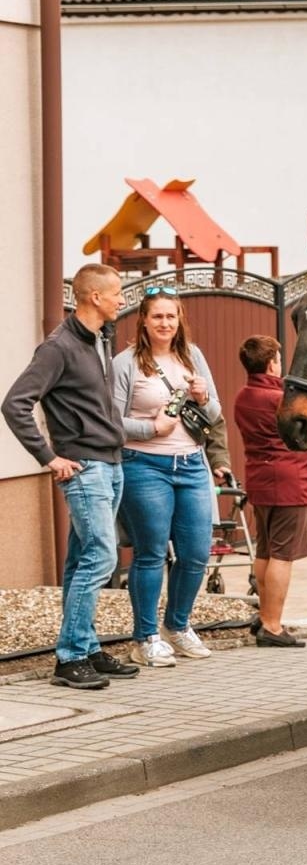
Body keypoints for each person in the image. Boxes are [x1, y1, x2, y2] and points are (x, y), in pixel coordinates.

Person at [3, 265, 138, 689]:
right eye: (116, 293)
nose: (122, 299)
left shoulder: (99, 340)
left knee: (83, 560)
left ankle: (87, 646)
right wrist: (48, 456)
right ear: (94, 297)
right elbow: (15, 404)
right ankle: (70, 658)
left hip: (110, 463)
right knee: (102, 557)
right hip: (84, 468)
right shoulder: (57, 347)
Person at [111, 289, 220, 667]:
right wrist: (150, 428)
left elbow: (215, 411)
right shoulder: (125, 363)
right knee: (152, 552)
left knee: (195, 553)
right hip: (143, 465)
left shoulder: (193, 356)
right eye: (157, 316)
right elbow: (111, 423)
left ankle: (178, 625)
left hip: (191, 465)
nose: (165, 323)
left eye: (171, 317)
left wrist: (204, 397)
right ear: (143, 320)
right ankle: (145, 638)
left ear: (179, 320)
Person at [234, 335, 307, 648]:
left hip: (259, 479)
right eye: (279, 359)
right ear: (272, 363)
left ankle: (265, 615)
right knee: (283, 555)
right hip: (289, 481)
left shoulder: (243, 396)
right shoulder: (281, 398)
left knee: (266, 550)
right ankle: (272, 624)